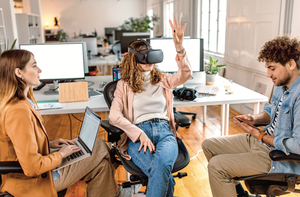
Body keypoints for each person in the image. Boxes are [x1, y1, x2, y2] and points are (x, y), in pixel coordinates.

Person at [0, 49, 118, 197]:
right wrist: (61, 155)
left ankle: (117, 192)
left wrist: (50, 144)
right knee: (99, 146)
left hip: (40, 171)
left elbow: (19, 145)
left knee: (102, 167)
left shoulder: (22, 102)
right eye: (34, 65)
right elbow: (31, 167)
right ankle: (119, 191)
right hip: (34, 181)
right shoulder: (18, 110)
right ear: (19, 72)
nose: (40, 70)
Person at [202, 35, 300, 197]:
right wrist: (254, 119)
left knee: (217, 166)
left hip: (279, 157)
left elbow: (298, 145)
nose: (268, 74)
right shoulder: (281, 85)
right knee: (209, 145)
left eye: (272, 68)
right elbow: (270, 113)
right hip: (262, 141)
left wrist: (261, 136)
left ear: (291, 64)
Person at [109, 17, 192, 197]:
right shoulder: (124, 85)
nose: (150, 62)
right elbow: (113, 116)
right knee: (164, 174)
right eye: (144, 57)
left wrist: (180, 49)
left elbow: (186, 73)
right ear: (133, 59)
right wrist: (138, 133)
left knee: (161, 168)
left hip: (165, 133)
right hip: (138, 134)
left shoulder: (163, 79)